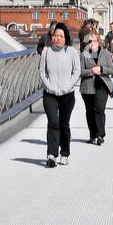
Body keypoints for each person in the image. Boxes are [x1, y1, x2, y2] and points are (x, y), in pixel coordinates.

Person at [39, 23, 80, 166]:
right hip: (50, 93)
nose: (58, 38)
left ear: (66, 38)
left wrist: (69, 85)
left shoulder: (72, 52)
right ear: (52, 36)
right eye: (56, 35)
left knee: (64, 124)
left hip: (67, 94)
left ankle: (64, 153)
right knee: (53, 122)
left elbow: (77, 71)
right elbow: (42, 72)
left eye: (61, 36)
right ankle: (51, 154)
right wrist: (48, 85)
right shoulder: (46, 51)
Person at [79, 29, 113, 145]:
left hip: (102, 84)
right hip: (87, 86)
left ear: (99, 41)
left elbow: (111, 69)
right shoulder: (83, 54)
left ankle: (100, 134)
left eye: (94, 40)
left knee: (99, 109)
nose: (92, 43)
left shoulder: (106, 53)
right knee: (90, 111)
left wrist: (102, 69)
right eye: (90, 41)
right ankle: (92, 134)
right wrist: (92, 71)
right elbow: (80, 71)